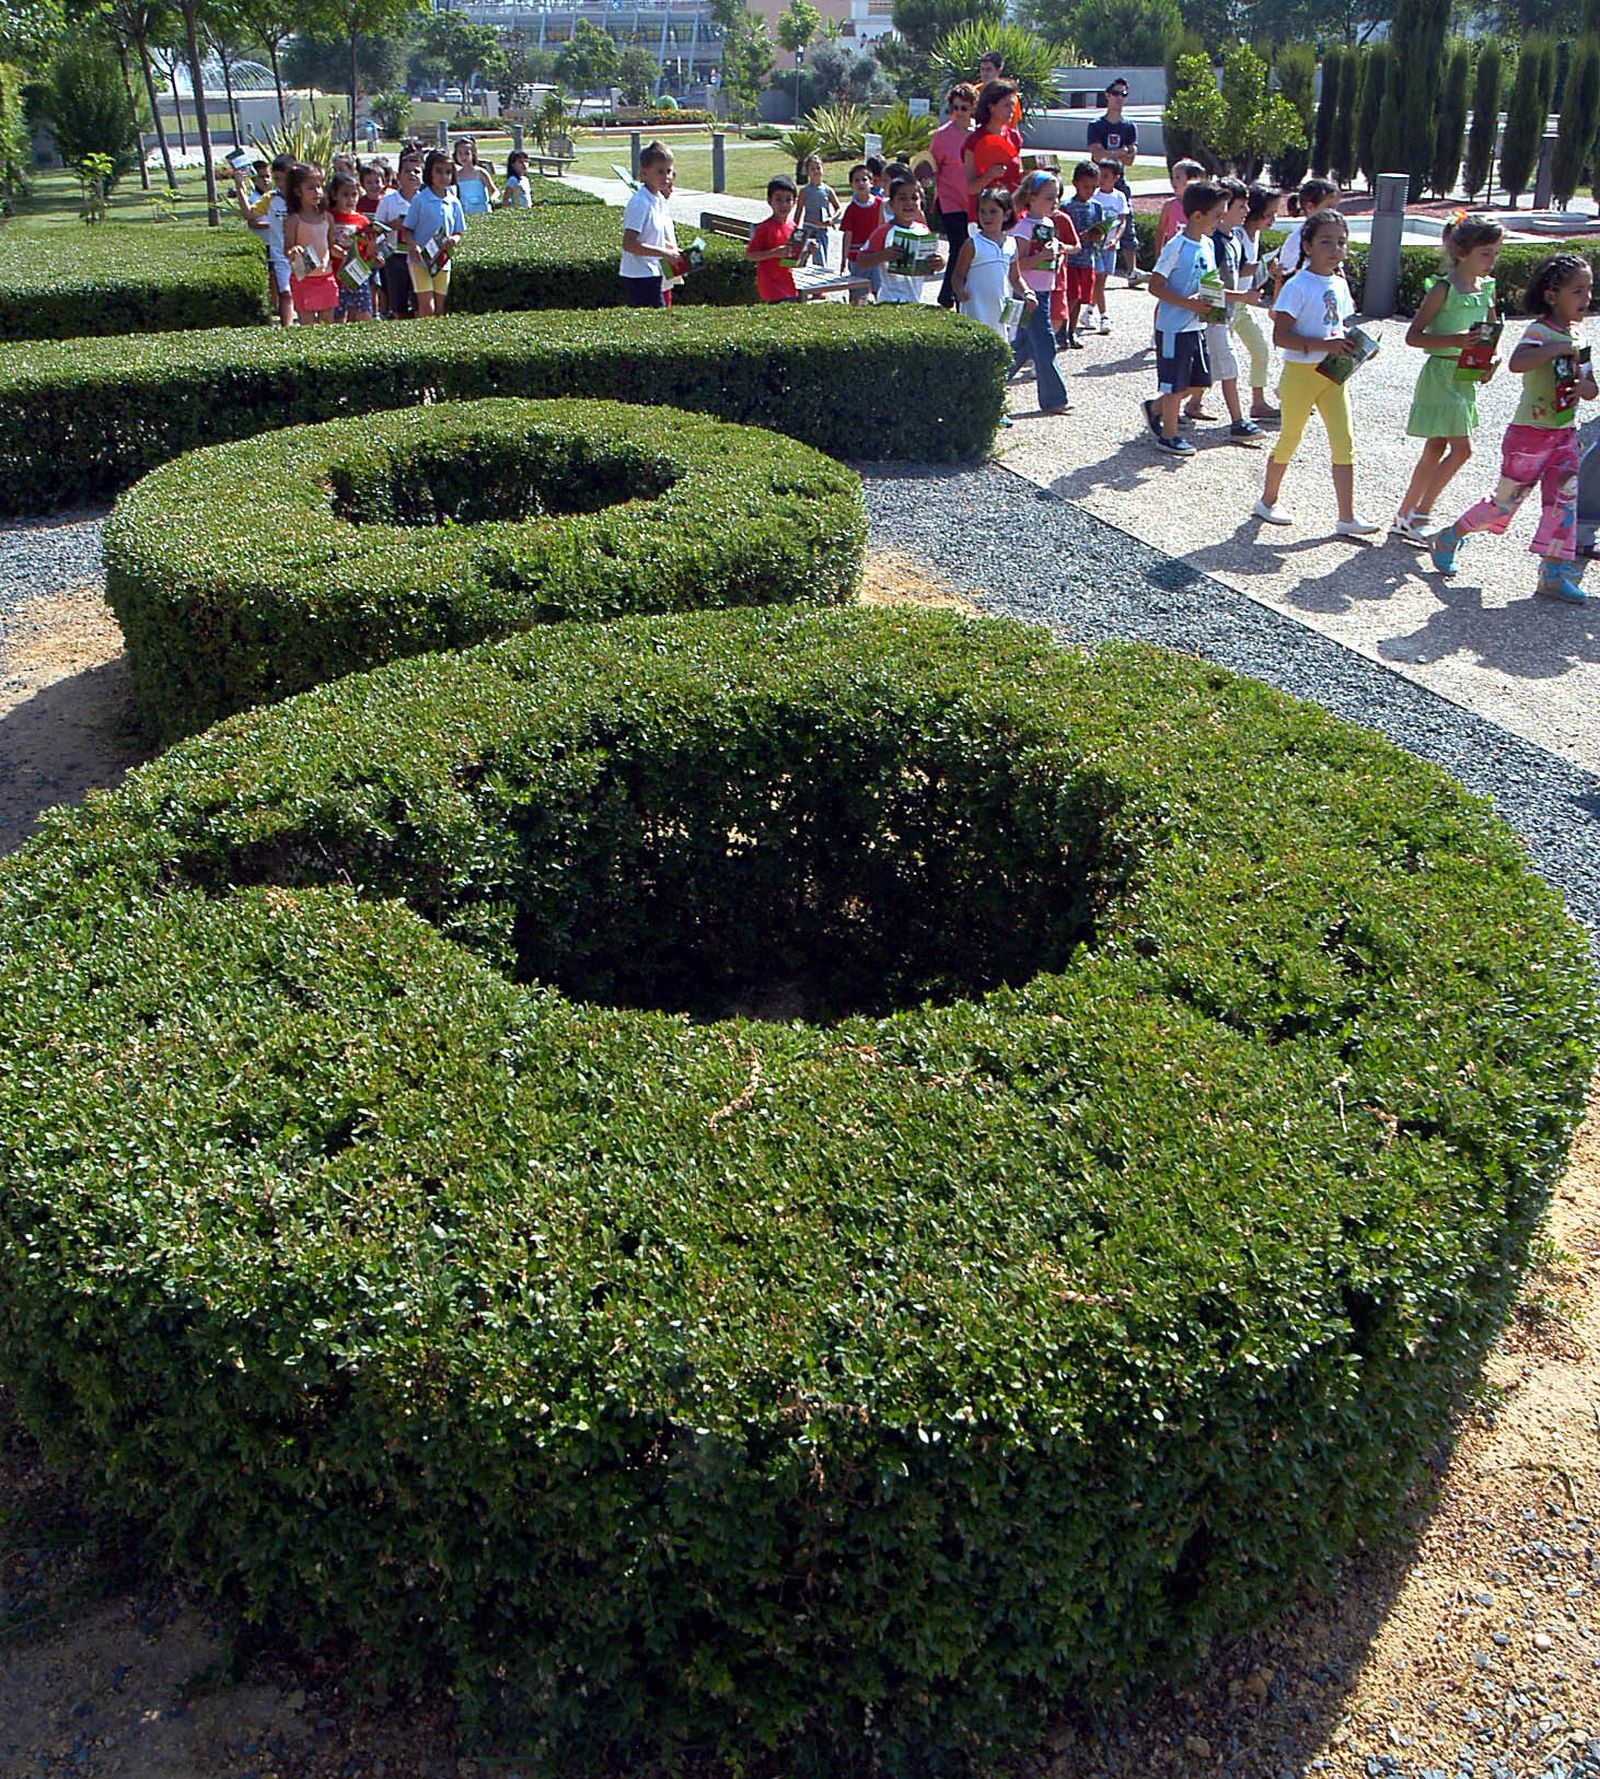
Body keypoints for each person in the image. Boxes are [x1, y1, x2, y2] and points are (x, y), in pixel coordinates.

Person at [1428, 252, 1596, 603]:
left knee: (1563, 504)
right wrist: (1554, 349)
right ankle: (1449, 537)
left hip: (1564, 435)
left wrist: (1585, 387)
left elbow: (1591, 387)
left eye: (1589, 289)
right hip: (1529, 436)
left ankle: (1553, 574)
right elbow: (1518, 362)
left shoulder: (1578, 336)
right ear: (1552, 295)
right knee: (1504, 503)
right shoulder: (1540, 331)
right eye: (1578, 291)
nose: (1587, 297)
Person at [1251, 208, 1380, 534]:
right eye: (1326, 241)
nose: (1335, 249)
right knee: (1290, 437)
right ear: (1307, 246)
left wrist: (1359, 347)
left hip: (1332, 375)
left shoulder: (1339, 284)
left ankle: (1347, 517)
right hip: (1300, 374)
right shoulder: (1297, 286)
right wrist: (1325, 344)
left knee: (1344, 441)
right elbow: (1281, 336)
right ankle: (1267, 500)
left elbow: (1337, 325)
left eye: (1341, 242)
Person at [1393, 219, 1504, 542]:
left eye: (1495, 253)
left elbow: (1492, 335)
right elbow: (1413, 336)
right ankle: (1421, 514)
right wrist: (1454, 340)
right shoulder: (1443, 289)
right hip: (1441, 375)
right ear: (1461, 252)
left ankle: (1404, 515)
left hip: (1465, 377)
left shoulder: (1487, 289)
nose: (1492, 260)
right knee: (1462, 450)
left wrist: (1493, 360)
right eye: (1485, 253)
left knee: (1436, 447)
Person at [1143, 178, 1226, 457]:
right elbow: (1155, 285)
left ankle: (1155, 408)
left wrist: (1226, 302)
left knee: (1201, 381)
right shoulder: (1176, 246)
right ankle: (1168, 436)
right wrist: (1187, 303)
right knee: (1174, 385)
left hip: (1196, 326)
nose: (1219, 221)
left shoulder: (1208, 245)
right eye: (1216, 215)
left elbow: (1209, 284)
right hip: (1173, 328)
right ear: (1198, 215)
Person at [1190, 177, 1262, 442]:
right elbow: (1209, 286)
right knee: (1229, 367)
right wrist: (1242, 296)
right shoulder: (1215, 243)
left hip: (1227, 312)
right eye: (1240, 206)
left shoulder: (1234, 240)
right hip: (1215, 315)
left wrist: (1266, 269)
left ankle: (1170, 405)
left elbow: (1240, 271)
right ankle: (1238, 422)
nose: (1246, 211)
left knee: (1207, 368)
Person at [1010, 171, 1071, 415]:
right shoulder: (1023, 228)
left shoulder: (1048, 224)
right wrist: (1042, 256)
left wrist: (1056, 254)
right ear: (1031, 197)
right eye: (1048, 197)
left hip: (1044, 291)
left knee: (1023, 345)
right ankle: (1054, 398)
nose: (1054, 202)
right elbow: (1016, 265)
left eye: (1056, 197)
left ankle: (990, 382)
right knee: (1045, 344)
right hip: (1029, 293)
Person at [952, 183, 1031, 348]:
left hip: (1001, 310)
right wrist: (959, 291)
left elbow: (1015, 277)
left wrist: (1027, 292)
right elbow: (958, 275)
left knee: (1000, 347)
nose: (987, 216)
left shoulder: (1011, 244)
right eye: (982, 211)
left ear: (1007, 214)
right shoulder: (973, 243)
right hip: (975, 309)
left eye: (993, 211)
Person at [1087, 76, 1144, 287]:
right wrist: (1120, 152)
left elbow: (1131, 159)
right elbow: (1096, 155)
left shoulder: (1129, 127)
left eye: (1124, 94)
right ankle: (1090, 266)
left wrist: (1111, 154)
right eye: (1116, 94)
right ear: (1108, 96)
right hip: (1098, 181)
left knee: (1126, 222)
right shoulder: (1096, 126)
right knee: (1093, 220)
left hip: (1119, 182)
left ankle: (1132, 271)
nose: (1120, 98)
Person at [857, 174, 946, 304]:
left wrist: (940, 262)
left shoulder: (924, 230)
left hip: (915, 301)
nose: (909, 203)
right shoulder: (884, 231)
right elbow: (861, 260)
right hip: (889, 300)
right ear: (891, 204)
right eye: (902, 198)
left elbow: (933, 261)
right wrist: (883, 255)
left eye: (914, 198)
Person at [230, 151, 294, 328]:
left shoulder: (303, 197)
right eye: (277, 179)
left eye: (284, 179)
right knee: (286, 293)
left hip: (302, 253)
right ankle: (288, 328)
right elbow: (250, 213)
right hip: (280, 255)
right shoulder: (270, 198)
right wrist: (239, 187)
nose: (280, 184)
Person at [617, 140, 681, 308]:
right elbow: (629, 244)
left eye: (669, 171)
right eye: (660, 171)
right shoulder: (640, 202)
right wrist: (665, 253)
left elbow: (653, 237)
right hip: (639, 276)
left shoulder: (658, 199)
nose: (666, 177)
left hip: (654, 272)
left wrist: (673, 252)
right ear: (644, 173)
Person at [404, 148, 467, 318]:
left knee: (440, 308)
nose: (443, 176)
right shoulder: (420, 199)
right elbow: (407, 229)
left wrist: (454, 240)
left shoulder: (454, 202)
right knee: (427, 306)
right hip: (420, 261)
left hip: (442, 260)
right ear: (429, 173)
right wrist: (413, 246)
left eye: (448, 172)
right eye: (438, 171)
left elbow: (458, 231)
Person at [1236, 183, 1280, 421]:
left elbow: (1249, 273)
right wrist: (1263, 265)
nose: (1273, 219)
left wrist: (1266, 271)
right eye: (1269, 214)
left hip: (1242, 305)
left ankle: (1258, 403)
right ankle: (1186, 402)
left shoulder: (1256, 234)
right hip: (1228, 304)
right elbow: (1236, 269)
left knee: (1260, 350)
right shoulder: (1238, 235)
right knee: (1216, 359)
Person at [930, 82, 977, 308]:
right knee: (959, 246)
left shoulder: (978, 135)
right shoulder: (941, 136)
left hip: (973, 200)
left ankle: (963, 294)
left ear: (973, 108)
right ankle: (947, 295)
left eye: (964, 108)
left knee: (972, 248)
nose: (959, 112)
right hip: (949, 201)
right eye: (955, 107)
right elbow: (931, 166)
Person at [1058, 161, 1102, 349]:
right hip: (1070, 260)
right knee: (1070, 297)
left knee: (1081, 299)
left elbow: (1100, 234)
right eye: (1086, 186)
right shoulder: (1066, 207)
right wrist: (1080, 236)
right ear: (1075, 183)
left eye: (1093, 187)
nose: (1089, 191)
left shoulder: (1096, 207)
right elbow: (1061, 234)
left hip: (1087, 260)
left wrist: (1098, 235)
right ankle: (1061, 330)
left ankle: (1071, 331)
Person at [327, 170, 376, 323]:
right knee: (338, 315)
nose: (351, 199)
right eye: (345, 195)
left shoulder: (362, 220)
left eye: (354, 195)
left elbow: (367, 253)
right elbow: (327, 244)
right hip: (336, 273)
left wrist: (372, 244)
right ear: (334, 195)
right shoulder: (329, 217)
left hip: (357, 273)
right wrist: (340, 252)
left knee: (364, 312)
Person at [375, 155, 420, 319]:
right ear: (398, 176)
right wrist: (392, 225)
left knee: (419, 301)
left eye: (417, 171)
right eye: (407, 171)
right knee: (398, 302)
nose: (412, 174)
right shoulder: (388, 201)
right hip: (395, 257)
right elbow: (376, 229)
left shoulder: (425, 200)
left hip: (419, 257)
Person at [1088, 158, 1130, 334]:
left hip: (1111, 246)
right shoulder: (1094, 196)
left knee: (1102, 281)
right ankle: (1104, 316)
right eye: (1100, 175)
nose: (1101, 180)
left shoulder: (1119, 197)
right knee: (1098, 279)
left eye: (1106, 176)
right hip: (1096, 247)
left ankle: (1089, 311)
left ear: (1116, 177)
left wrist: (1116, 239)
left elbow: (1122, 221)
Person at [1274, 176, 1338, 290]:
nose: (1333, 213)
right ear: (1310, 207)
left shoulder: (1333, 237)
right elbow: (1282, 280)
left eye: (1335, 208)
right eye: (1329, 208)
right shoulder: (1296, 241)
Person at [966, 80, 1023, 199]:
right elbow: (970, 188)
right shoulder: (974, 141)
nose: (1012, 110)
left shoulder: (1014, 137)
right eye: (1007, 105)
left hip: (1010, 206)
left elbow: (1014, 178)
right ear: (991, 107)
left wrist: (1028, 174)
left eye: (1013, 105)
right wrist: (988, 176)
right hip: (984, 207)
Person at [747, 175, 800, 301]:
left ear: (794, 202)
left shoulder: (793, 226)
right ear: (769, 201)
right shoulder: (765, 228)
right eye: (778, 199)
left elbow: (792, 261)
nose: (783, 205)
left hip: (788, 284)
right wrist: (774, 253)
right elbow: (750, 255)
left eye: (788, 200)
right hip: (770, 287)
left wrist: (807, 250)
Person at [838, 163, 883, 303]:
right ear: (851, 185)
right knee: (857, 292)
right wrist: (844, 258)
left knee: (880, 289)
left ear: (872, 182)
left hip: (877, 256)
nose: (861, 183)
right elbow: (847, 234)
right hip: (856, 258)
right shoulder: (851, 209)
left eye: (864, 179)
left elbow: (885, 228)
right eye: (856, 180)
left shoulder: (880, 205)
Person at [795, 155, 840, 269]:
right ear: (807, 172)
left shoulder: (828, 190)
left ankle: (819, 276)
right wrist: (794, 230)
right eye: (812, 169)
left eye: (818, 168)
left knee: (821, 260)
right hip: (808, 228)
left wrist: (832, 219)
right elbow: (798, 212)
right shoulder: (804, 191)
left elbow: (838, 208)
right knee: (799, 259)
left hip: (822, 230)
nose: (816, 171)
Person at [1155, 159, 1204, 253]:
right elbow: (1160, 231)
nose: (1173, 182)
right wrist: (1159, 255)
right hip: (1173, 255)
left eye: (1177, 177)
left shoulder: (1201, 206)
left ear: (1193, 180)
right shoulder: (1169, 205)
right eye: (1172, 178)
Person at [452, 137, 497, 216]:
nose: (463, 157)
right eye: (460, 153)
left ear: (473, 154)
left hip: (483, 213)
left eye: (467, 153)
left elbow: (494, 190)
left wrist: (493, 198)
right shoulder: (456, 175)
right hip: (466, 214)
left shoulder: (480, 172)